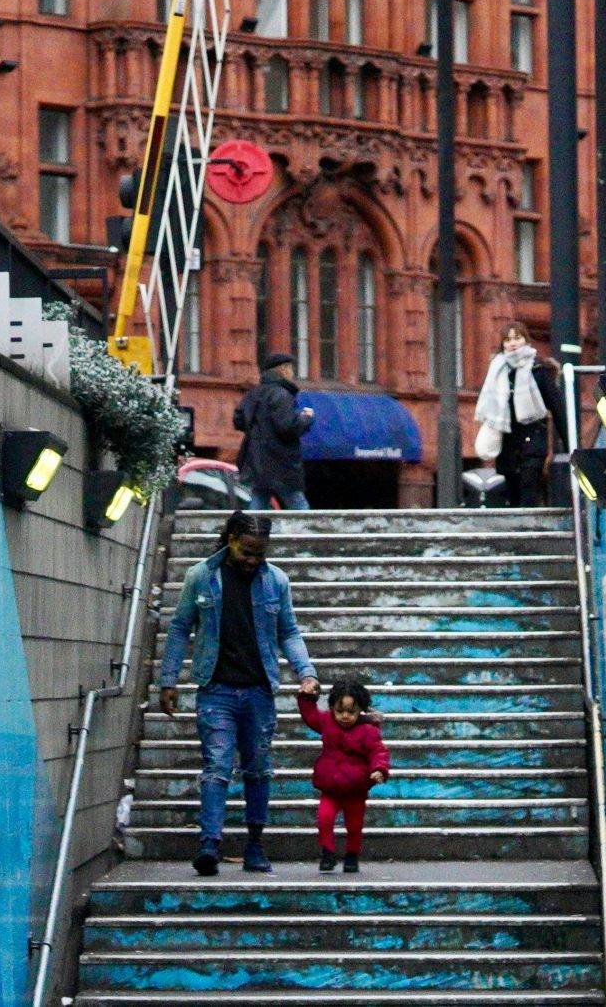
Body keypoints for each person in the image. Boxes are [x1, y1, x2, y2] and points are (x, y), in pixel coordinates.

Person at [157, 511, 319, 876]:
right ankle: (209, 845)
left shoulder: (275, 581)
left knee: (258, 768)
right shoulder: (201, 576)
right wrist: (169, 681)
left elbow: (288, 632)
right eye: (247, 551)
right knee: (216, 765)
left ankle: (255, 845)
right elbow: (181, 628)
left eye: (260, 553)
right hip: (215, 689)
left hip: (259, 690)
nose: (252, 560)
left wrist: (306, 673)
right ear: (230, 539)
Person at [296, 677, 389, 873]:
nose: (345, 716)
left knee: (354, 825)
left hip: (356, 788)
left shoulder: (367, 731)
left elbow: (378, 751)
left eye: (351, 712)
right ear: (332, 709)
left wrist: (379, 769)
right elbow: (310, 715)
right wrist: (306, 697)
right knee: (324, 818)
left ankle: (352, 855)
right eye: (340, 711)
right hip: (331, 787)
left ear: (360, 710)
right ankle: (327, 852)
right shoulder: (327, 722)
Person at [474, 323, 563, 507]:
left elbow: (557, 407)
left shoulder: (539, 370)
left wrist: (571, 445)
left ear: (526, 340)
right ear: (502, 344)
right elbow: (490, 407)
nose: (512, 343)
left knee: (529, 487)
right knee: (513, 492)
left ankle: (529, 530)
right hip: (508, 440)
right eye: (508, 339)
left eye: (517, 338)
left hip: (533, 436)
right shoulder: (498, 371)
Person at [232, 352, 312, 511]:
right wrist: (306, 418)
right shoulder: (281, 395)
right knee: (298, 505)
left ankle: (251, 533)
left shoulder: (253, 394)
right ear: (283, 370)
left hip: (256, 461)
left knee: (259, 502)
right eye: (290, 368)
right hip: (280, 462)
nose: (292, 373)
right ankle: (308, 535)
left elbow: (238, 420)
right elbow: (287, 427)